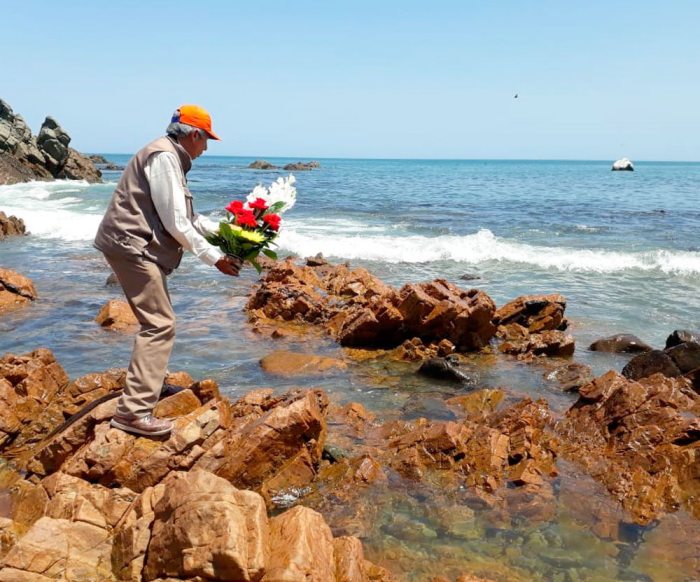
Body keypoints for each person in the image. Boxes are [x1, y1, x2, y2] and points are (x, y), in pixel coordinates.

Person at [94, 104, 241, 437]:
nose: (205, 149)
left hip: (130, 244)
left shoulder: (168, 156)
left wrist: (228, 235)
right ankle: (132, 413)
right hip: (132, 247)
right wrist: (214, 258)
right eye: (206, 141)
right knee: (160, 324)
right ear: (193, 135)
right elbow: (176, 223)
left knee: (158, 320)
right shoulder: (164, 158)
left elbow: (186, 217)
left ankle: (150, 387)